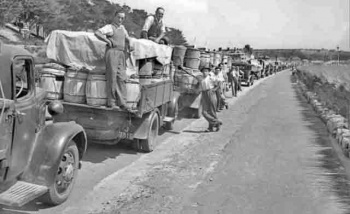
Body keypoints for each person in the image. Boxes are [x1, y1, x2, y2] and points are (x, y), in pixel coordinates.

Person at [94, 10, 133, 111]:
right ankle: (111, 102)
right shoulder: (109, 27)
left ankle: (123, 103)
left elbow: (127, 37)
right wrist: (107, 40)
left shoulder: (123, 28)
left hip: (121, 54)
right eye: (119, 17)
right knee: (112, 77)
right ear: (115, 17)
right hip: (112, 53)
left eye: (122, 18)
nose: (120, 20)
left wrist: (130, 44)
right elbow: (97, 32)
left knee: (121, 77)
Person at [198, 67, 223, 132]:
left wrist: (214, 89)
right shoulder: (201, 78)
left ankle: (210, 128)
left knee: (212, 112)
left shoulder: (211, 77)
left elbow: (219, 82)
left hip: (210, 93)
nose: (204, 72)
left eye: (206, 71)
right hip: (204, 94)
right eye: (203, 71)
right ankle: (217, 122)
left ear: (208, 72)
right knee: (204, 112)